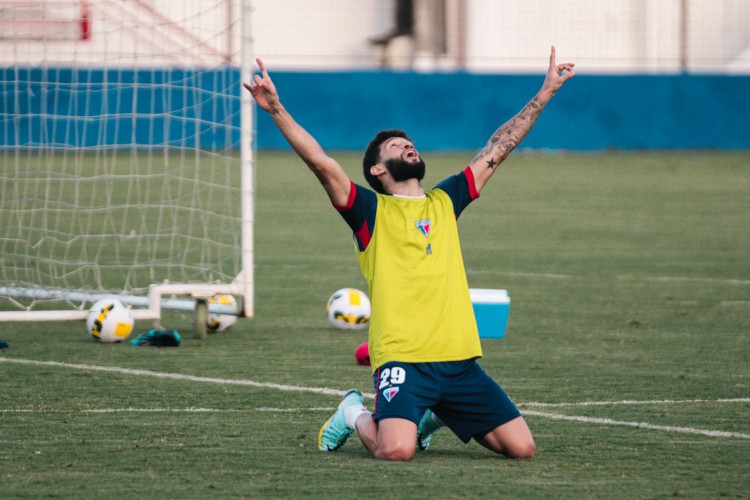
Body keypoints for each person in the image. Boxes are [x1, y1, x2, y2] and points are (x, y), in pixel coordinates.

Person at [243, 47, 575, 461]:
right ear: (378, 170)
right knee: (394, 450)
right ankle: (352, 412)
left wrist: (545, 93)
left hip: (458, 358)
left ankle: (434, 414)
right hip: (403, 358)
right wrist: (276, 110)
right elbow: (321, 163)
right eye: (398, 147)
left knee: (521, 448)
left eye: (409, 143)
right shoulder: (369, 211)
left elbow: (498, 146)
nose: (408, 147)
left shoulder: (445, 200)